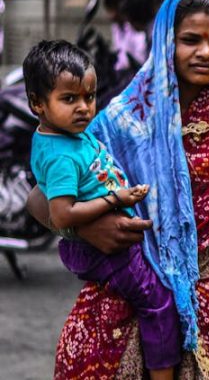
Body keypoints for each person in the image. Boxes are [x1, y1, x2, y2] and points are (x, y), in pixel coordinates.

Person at [26, 0, 209, 378]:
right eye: (190, 39)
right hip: (121, 307)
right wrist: (88, 226)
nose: (205, 52)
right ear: (166, 43)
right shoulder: (125, 119)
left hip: (207, 314)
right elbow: (39, 199)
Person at [25, 40, 178, 380]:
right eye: (69, 99)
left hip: (104, 241)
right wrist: (115, 201)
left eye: (89, 97)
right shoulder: (62, 154)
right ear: (38, 103)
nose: (83, 108)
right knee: (158, 302)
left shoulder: (66, 135)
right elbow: (60, 214)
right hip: (109, 251)